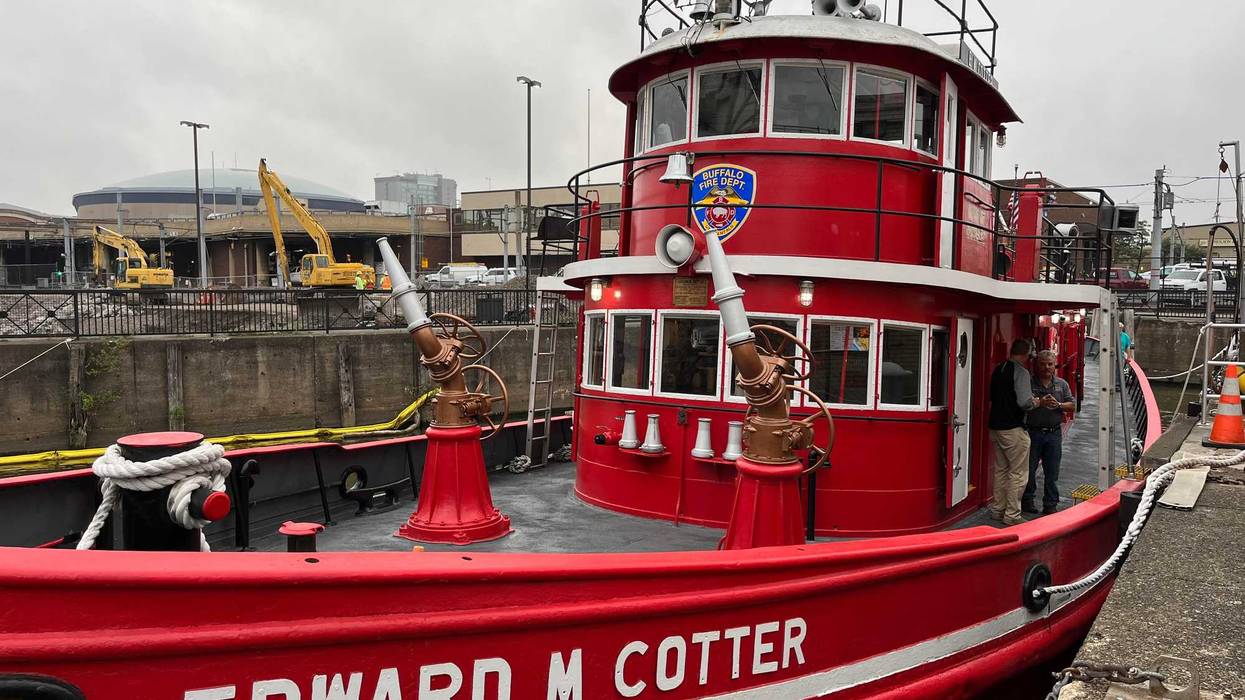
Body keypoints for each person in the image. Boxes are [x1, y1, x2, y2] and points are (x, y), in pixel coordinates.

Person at [988, 339, 1039, 525]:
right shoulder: (1021, 372)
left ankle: (997, 509)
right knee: (1018, 473)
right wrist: (1037, 402)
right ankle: (1012, 515)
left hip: (995, 427)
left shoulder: (999, 368)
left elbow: (993, 395)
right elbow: (1024, 402)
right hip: (1013, 428)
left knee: (1001, 470)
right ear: (1026, 353)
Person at [1023, 350, 1075, 515]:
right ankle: (1027, 501)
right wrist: (1039, 403)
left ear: (1054, 365)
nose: (1046, 367)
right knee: (1029, 470)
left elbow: (1072, 405)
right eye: (1043, 364)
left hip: (1053, 433)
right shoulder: (1028, 383)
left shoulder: (1062, 384)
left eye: (1050, 364)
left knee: (1052, 471)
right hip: (1032, 432)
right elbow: (1022, 404)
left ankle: (1050, 504)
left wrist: (1058, 405)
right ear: (1036, 365)